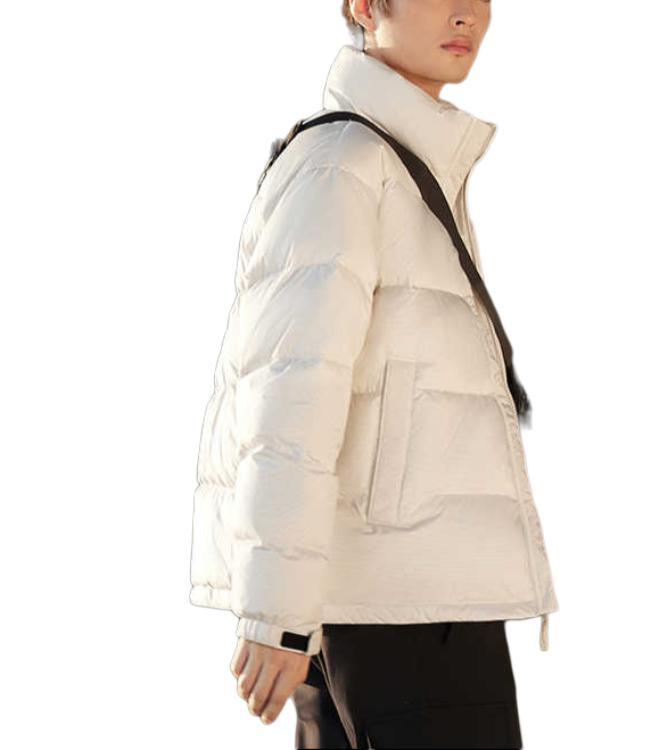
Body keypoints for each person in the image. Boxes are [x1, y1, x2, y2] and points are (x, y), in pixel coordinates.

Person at [188, 1, 558, 747]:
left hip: (403, 597)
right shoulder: (344, 163)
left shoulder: (397, 161)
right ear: (363, 5)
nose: (467, 14)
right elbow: (290, 391)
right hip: (400, 609)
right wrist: (275, 613)